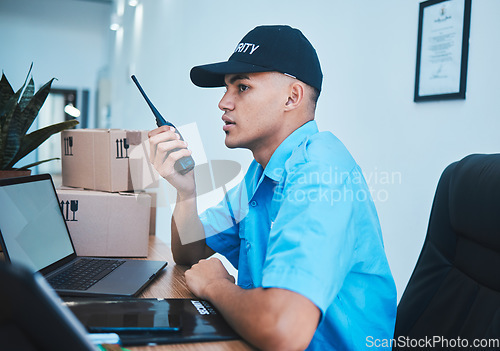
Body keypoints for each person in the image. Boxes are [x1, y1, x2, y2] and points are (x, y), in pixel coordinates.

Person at [148, 25, 397, 351]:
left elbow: (283, 330)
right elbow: (190, 252)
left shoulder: (321, 175)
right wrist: (186, 193)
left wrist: (216, 286)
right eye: (226, 89)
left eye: (242, 87)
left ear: (292, 97)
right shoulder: (261, 173)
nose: (223, 103)